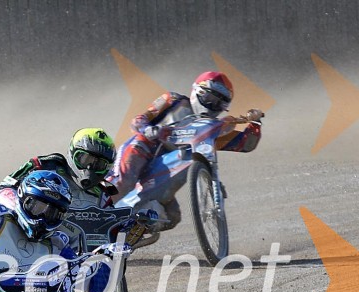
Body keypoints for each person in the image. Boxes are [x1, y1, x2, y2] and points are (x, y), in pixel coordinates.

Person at [106, 71, 264, 230]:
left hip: (164, 171)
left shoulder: (211, 130)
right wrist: (148, 129)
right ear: (197, 92)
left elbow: (245, 144)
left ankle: (124, 237)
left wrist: (255, 123)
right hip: (143, 148)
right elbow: (138, 120)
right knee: (123, 182)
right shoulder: (173, 100)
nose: (213, 106)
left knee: (171, 217)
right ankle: (89, 209)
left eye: (220, 103)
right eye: (210, 99)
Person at [0, 128, 117, 212]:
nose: (89, 167)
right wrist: (21, 209)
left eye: (99, 164)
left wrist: (125, 233)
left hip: (69, 248)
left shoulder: (103, 195)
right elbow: (4, 188)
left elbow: (112, 231)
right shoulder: (43, 165)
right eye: (86, 159)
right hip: (26, 236)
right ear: (72, 152)